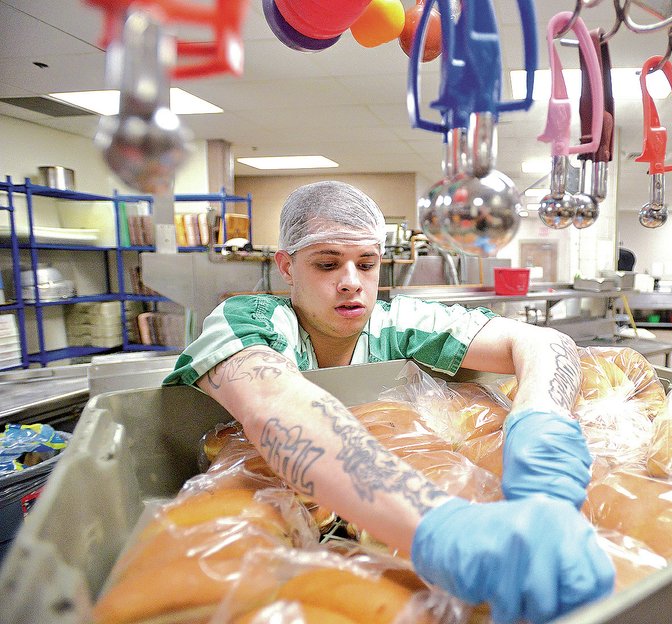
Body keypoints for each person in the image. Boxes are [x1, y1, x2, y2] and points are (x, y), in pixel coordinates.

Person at [164, 181, 614, 623]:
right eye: (327, 264)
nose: (351, 283)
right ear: (286, 266)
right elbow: (275, 406)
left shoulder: (397, 321)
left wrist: (544, 442)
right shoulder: (247, 320)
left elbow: (544, 342)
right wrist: (444, 527)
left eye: (367, 264)